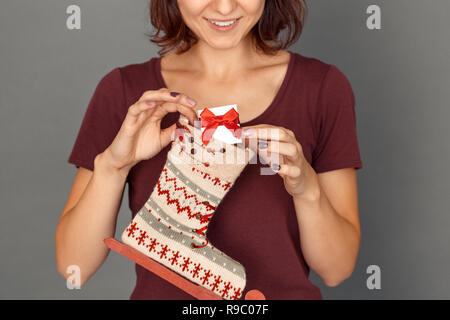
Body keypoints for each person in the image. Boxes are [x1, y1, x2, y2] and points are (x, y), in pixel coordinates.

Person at [56, 0, 363, 299]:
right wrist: (114, 165)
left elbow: (336, 270)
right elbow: (75, 267)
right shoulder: (127, 92)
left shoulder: (321, 88)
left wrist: (308, 190)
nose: (225, 7)